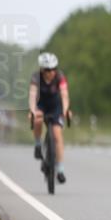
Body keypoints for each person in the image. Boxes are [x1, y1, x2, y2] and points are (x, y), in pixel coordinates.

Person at [28, 52, 72, 183]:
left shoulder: (60, 76)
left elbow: (64, 95)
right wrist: (32, 110)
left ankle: (60, 170)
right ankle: (37, 144)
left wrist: (65, 110)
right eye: (47, 70)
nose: (51, 72)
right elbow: (32, 96)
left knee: (57, 136)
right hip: (41, 104)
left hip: (55, 105)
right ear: (42, 69)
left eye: (54, 69)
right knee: (37, 120)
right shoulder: (36, 77)